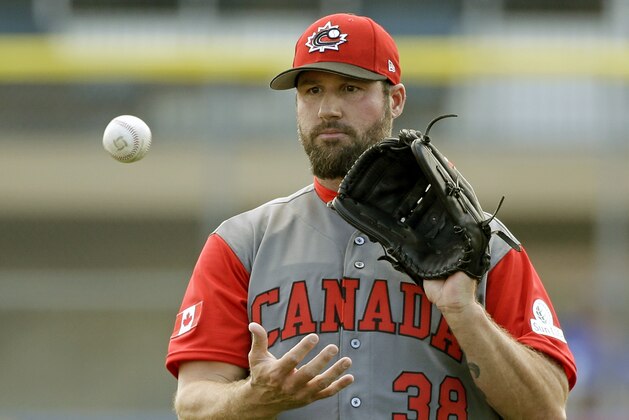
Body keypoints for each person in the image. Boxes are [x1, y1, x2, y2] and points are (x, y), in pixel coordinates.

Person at [166, 13, 577, 419]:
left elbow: (547, 408)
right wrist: (255, 398)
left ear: (394, 99)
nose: (328, 109)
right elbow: (194, 403)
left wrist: (463, 312)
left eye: (350, 88)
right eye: (311, 90)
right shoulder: (243, 243)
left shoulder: (482, 244)